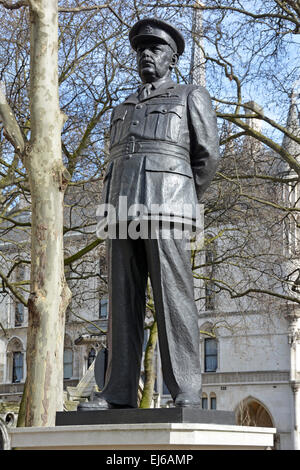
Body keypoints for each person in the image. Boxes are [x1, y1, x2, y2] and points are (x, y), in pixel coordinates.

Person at [78, 17, 220, 411]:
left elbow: (207, 157)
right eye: (141, 49)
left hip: (169, 203)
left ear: (172, 58)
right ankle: (118, 390)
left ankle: (185, 389)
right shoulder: (122, 108)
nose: (146, 54)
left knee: (174, 297)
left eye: (155, 49)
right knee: (122, 302)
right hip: (120, 207)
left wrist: (182, 196)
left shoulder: (190, 95)